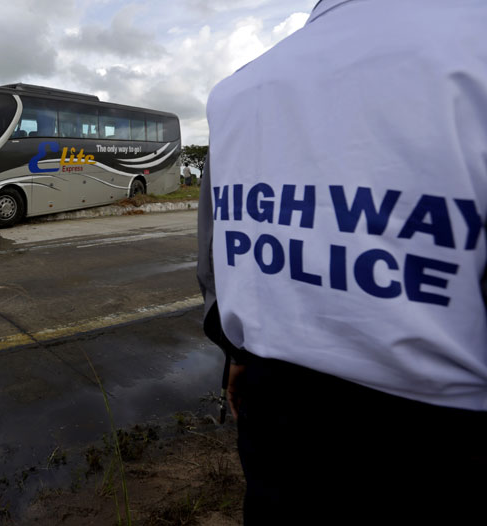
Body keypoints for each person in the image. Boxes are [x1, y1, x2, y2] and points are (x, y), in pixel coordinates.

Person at [200, 0, 486, 523]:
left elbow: (219, 250)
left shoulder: (238, 89)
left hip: (276, 411)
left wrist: (235, 353)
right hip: (444, 437)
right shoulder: (470, 42)